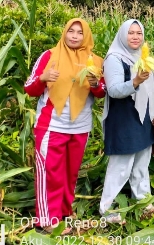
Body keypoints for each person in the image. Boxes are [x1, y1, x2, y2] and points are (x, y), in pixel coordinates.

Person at [24, 18, 105, 234]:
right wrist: (43, 78)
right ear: (65, 33)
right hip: (52, 125)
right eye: (71, 31)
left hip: (80, 126)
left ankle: (64, 213)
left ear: (86, 35)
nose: (75, 36)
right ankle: (47, 219)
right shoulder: (50, 56)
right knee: (50, 172)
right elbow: (29, 87)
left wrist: (96, 83)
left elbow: (101, 91)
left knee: (70, 173)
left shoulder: (95, 61)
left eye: (80, 32)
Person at [99, 19, 154, 224]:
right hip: (124, 117)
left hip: (143, 117)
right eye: (131, 33)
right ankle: (107, 208)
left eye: (139, 33)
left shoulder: (144, 57)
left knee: (142, 162)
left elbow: (153, 90)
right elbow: (114, 90)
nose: (135, 37)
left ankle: (142, 201)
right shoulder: (114, 59)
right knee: (121, 165)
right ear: (123, 35)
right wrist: (136, 81)